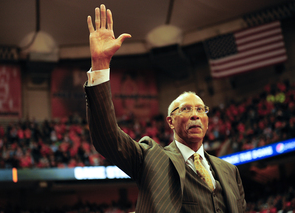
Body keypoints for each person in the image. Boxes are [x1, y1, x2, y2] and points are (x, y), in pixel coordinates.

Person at [84, 4, 246, 212]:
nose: (195, 115)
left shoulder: (230, 171)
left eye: (200, 109)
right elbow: (106, 137)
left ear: (207, 120)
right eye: (186, 109)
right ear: (170, 121)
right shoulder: (151, 158)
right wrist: (100, 64)